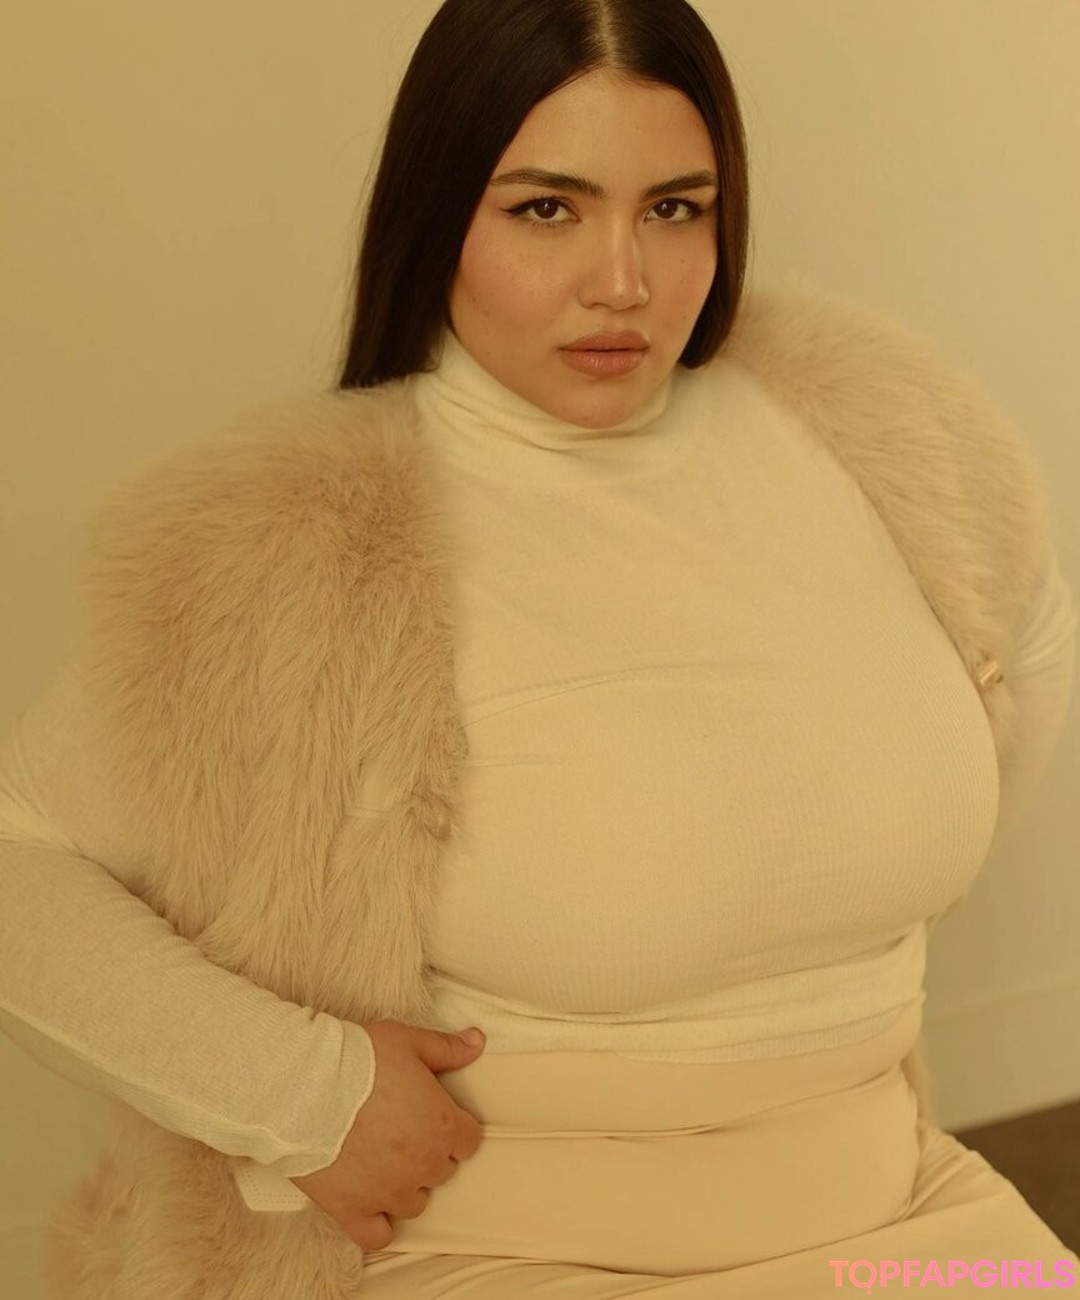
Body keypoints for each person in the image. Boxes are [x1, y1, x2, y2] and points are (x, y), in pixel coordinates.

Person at [0, 0, 1077, 1296]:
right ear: (440, 212)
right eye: (548, 209)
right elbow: (17, 859)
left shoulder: (880, 433)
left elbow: (1024, 645)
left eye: (674, 208)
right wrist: (304, 1097)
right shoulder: (293, 545)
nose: (622, 280)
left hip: (907, 1220)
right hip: (502, 1255)